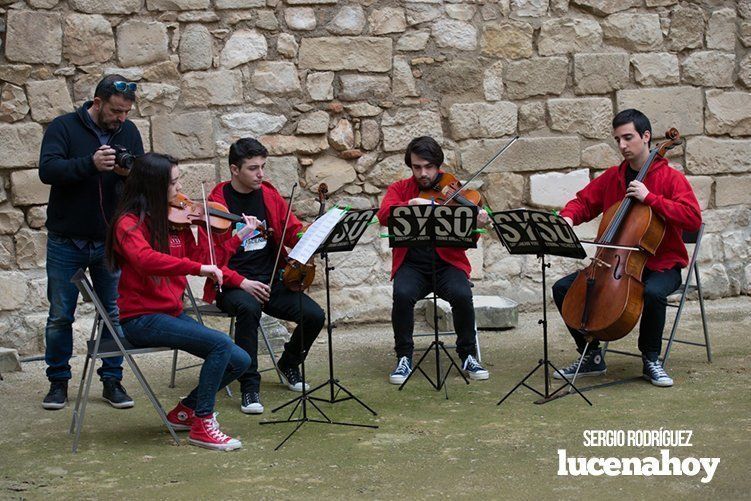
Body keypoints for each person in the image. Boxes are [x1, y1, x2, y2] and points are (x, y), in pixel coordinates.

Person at [105, 153, 253, 451]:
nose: (180, 188)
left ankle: (185, 410)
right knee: (221, 344)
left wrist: (233, 236)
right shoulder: (128, 223)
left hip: (170, 313)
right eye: (173, 182)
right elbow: (145, 260)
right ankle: (203, 423)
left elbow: (201, 259)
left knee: (241, 360)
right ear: (153, 186)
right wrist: (198, 269)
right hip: (141, 319)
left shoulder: (176, 222)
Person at [552, 109, 702, 387]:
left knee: (654, 293)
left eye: (628, 138)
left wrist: (651, 199)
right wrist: (568, 216)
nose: (622, 146)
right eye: (618, 139)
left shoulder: (670, 179)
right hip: (615, 264)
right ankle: (592, 356)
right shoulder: (614, 176)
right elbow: (584, 202)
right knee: (563, 289)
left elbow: (693, 217)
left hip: (662, 264)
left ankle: (651, 359)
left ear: (646, 137)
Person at [38, 75, 144, 410]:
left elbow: (141, 174)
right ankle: (58, 382)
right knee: (59, 315)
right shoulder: (63, 127)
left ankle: (112, 380)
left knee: (113, 313)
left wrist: (131, 174)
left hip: (110, 240)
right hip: (65, 240)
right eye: (115, 111)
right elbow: (48, 170)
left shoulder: (128, 131)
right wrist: (90, 164)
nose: (121, 118)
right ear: (97, 103)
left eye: (126, 112)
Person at [203, 138, 325, 414]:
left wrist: (312, 234)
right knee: (248, 309)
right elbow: (211, 260)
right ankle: (249, 384)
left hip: (270, 281)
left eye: (263, 167)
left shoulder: (269, 195)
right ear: (235, 169)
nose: (261, 174)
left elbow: (292, 230)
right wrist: (242, 282)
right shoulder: (216, 206)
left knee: (315, 316)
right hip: (232, 284)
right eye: (253, 168)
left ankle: (288, 363)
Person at [376, 136, 490, 384]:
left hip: (448, 264)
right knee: (402, 294)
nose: (423, 173)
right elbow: (383, 215)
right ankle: (404, 357)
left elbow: (474, 224)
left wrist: (479, 219)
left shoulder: (454, 189)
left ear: (438, 165)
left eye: (428, 167)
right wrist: (410, 204)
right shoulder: (400, 189)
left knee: (461, 295)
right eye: (417, 167)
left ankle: (468, 354)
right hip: (412, 265)